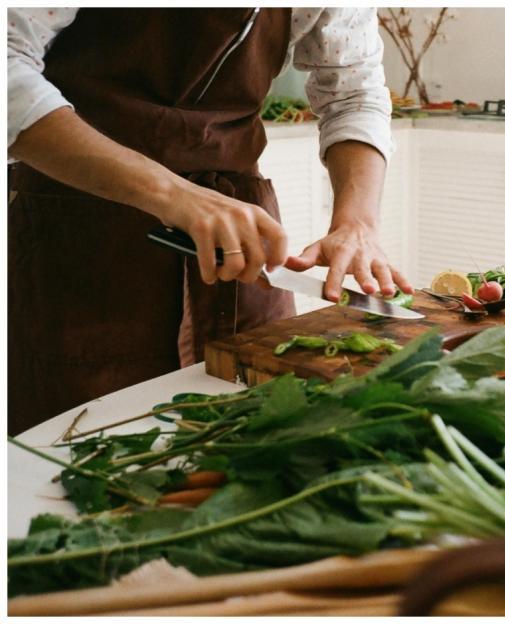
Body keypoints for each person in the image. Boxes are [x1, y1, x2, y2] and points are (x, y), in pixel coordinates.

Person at [7, 8, 413, 434]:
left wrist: (357, 221)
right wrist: (169, 193)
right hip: (78, 231)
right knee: (76, 447)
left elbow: (354, 92)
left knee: (257, 435)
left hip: (242, 241)